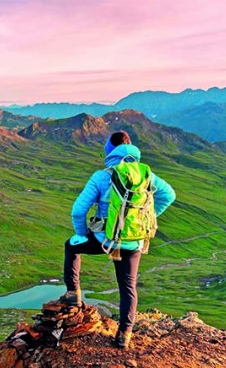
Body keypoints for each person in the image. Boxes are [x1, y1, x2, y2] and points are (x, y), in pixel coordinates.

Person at [62, 131, 176, 349]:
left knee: (71, 246)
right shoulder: (146, 175)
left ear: (109, 150)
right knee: (128, 287)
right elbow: (169, 195)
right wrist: (146, 219)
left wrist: (83, 234)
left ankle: (73, 294)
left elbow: (78, 211)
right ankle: (124, 334)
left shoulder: (102, 176)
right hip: (133, 241)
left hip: (106, 240)